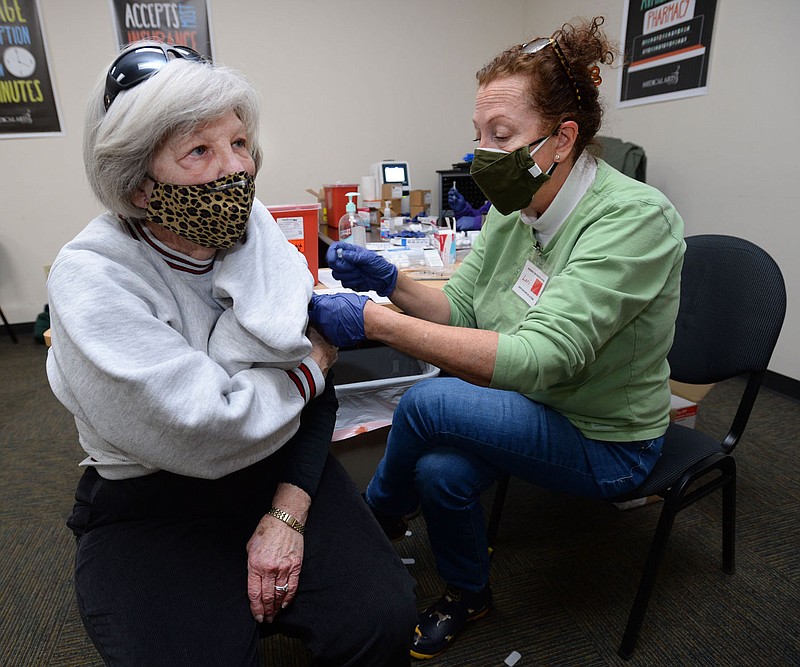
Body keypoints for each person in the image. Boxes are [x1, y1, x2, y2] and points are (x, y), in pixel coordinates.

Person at [309, 17, 685, 660]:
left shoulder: (634, 219)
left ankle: (374, 521)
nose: (481, 153)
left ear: (562, 139)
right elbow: (458, 306)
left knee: (429, 404)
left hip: (607, 436)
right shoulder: (518, 213)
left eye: (501, 135)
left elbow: (541, 358)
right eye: (478, 134)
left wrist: (374, 322)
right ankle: (469, 593)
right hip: (535, 406)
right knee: (440, 471)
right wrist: (391, 283)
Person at [46, 41, 416, 666]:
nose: (235, 171)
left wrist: (288, 512)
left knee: (381, 619)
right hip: (151, 494)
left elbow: (313, 399)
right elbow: (205, 424)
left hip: (276, 464)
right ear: (137, 183)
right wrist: (305, 369)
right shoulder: (92, 277)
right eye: (199, 151)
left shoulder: (258, 228)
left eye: (240, 143)